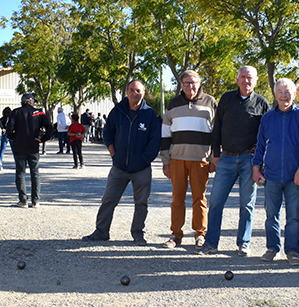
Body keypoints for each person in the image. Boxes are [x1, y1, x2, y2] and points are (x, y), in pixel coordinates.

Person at [195, 66, 270, 256]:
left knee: (246, 204)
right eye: (243, 77)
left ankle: (243, 243)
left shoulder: (262, 103)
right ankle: (211, 243)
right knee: (216, 202)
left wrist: (259, 163)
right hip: (226, 159)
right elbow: (217, 127)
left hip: (249, 160)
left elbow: (266, 135)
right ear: (237, 80)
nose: (246, 81)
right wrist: (216, 155)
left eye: (250, 78)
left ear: (256, 80)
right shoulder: (227, 99)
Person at [82, 80, 161, 246]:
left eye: (138, 90)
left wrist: (144, 160)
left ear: (143, 93)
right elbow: (108, 132)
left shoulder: (150, 114)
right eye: (132, 90)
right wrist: (114, 154)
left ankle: (138, 233)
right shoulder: (117, 111)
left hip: (141, 169)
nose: (135, 93)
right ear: (127, 92)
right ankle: (101, 231)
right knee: (108, 199)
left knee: (141, 203)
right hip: (119, 167)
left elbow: (155, 141)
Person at [252, 78, 299, 266]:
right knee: (271, 215)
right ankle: (273, 248)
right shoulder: (268, 118)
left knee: (293, 216)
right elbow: (260, 145)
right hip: (271, 175)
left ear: (294, 94)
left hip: (295, 175)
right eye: (280, 92)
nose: (284, 95)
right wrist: (256, 168)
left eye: (288, 92)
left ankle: (293, 251)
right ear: (275, 94)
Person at [160, 70, 217, 249]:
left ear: (199, 83)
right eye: (186, 83)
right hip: (176, 159)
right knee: (177, 198)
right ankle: (176, 235)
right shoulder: (173, 104)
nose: (190, 86)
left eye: (193, 82)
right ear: (181, 84)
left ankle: (200, 234)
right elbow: (165, 134)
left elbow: (216, 133)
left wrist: (215, 158)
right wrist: (165, 161)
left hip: (201, 159)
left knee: (199, 198)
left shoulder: (210, 102)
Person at [7, 93, 54, 208]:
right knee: (35, 173)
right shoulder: (38, 113)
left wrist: (14, 137)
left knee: (20, 173)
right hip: (33, 146)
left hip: (19, 146)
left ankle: (23, 200)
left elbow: (9, 129)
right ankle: (35, 200)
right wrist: (43, 139)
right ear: (31, 101)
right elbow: (50, 127)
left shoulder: (15, 112)